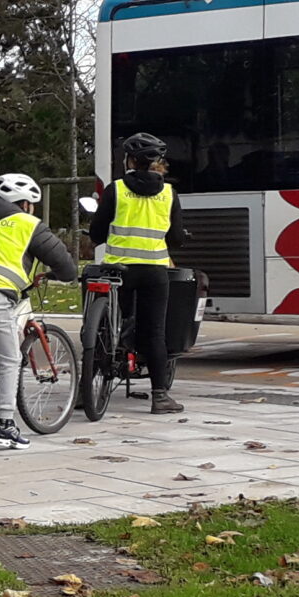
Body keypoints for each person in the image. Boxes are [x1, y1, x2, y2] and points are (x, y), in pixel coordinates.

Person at [0, 171, 83, 449]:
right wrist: (62, 274)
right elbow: (64, 264)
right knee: (9, 358)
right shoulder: (29, 224)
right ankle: (5, 426)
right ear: (25, 204)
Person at [91, 130, 188, 414]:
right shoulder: (169, 193)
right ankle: (160, 397)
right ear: (156, 161)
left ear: (130, 160)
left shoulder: (116, 190)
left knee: (105, 328)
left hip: (118, 270)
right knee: (154, 332)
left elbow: (97, 231)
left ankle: (89, 389)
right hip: (155, 272)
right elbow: (176, 239)